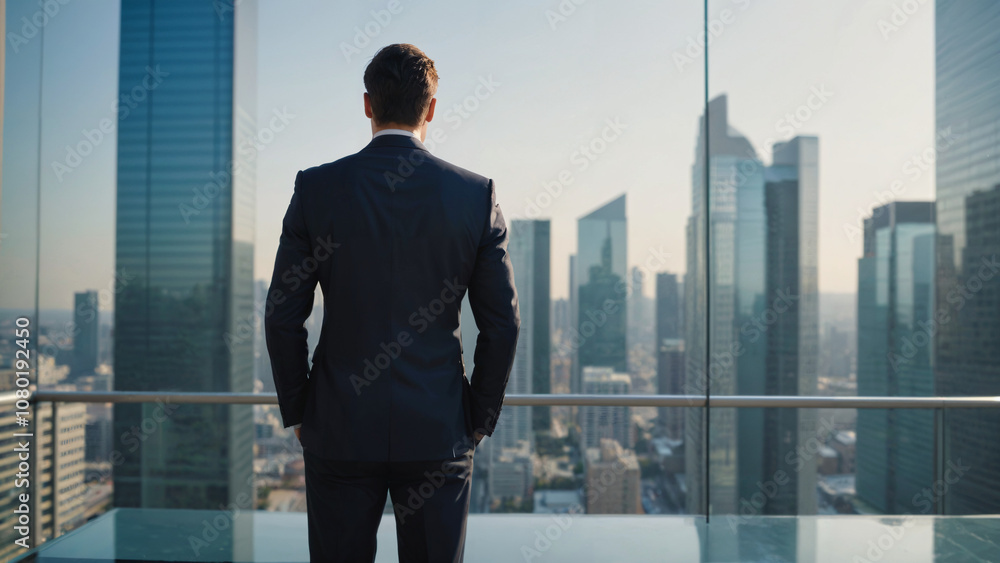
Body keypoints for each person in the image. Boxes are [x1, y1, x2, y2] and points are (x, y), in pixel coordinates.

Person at [265, 43, 520, 562]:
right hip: (438, 431)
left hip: (338, 427)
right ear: (430, 108)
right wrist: (477, 418)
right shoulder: (474, 195)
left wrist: (300, 410)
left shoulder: (316, 189)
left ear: (366, 105)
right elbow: (503, 326)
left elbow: (282, 315)